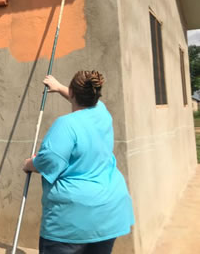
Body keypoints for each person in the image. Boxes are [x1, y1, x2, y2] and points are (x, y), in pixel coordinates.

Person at [22, 71, 134, 254]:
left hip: (72, 221)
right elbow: (85, 100)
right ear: (96, 94)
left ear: (73, 92)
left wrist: (29, 164)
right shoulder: (102, 112)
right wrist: (58, 87)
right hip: (109, 213)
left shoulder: (66, 125)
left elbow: (49, 161)